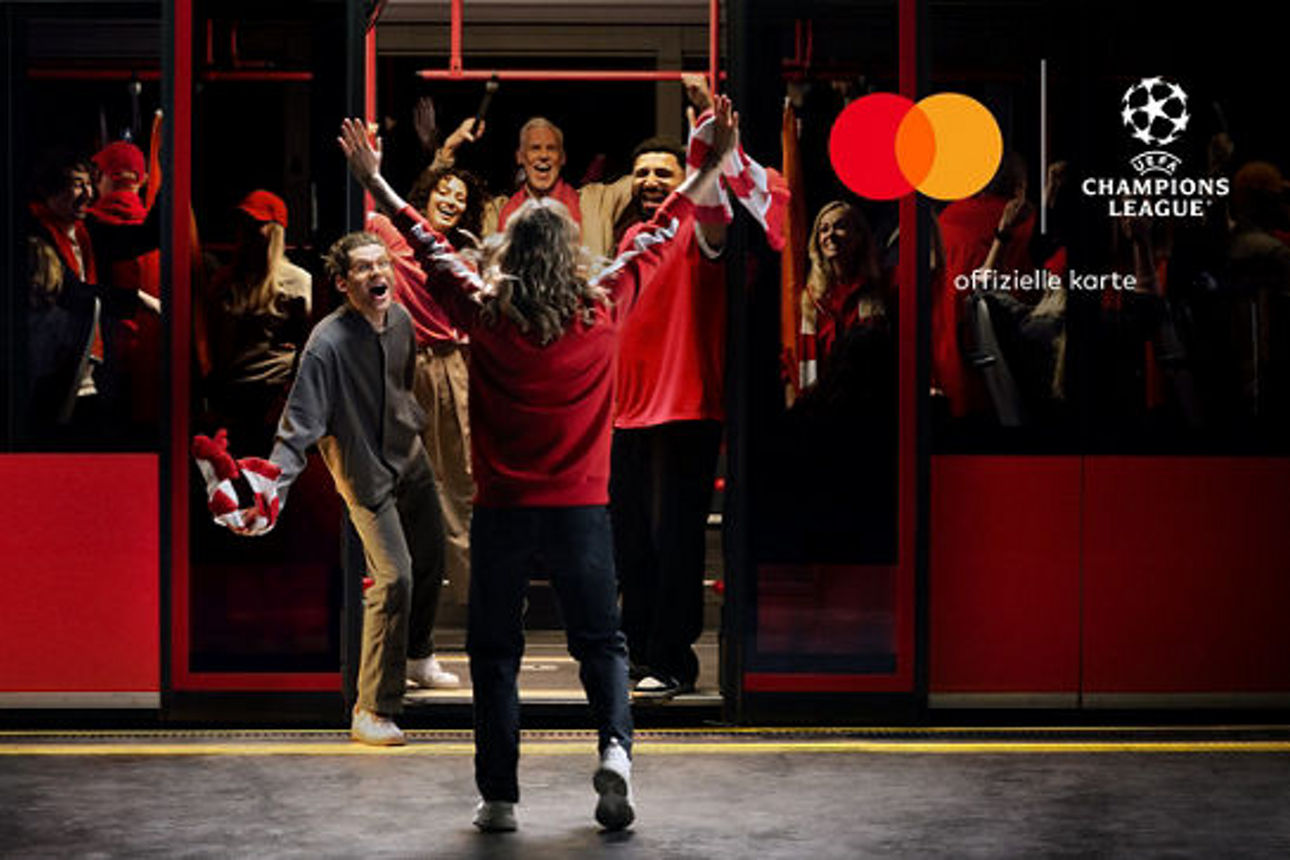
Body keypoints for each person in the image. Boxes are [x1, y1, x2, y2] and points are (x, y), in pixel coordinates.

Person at [338, 95, 738, 832]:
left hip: (502, 514)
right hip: (584, 510)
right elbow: (658, 234)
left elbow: (425, 242)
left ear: (509, 253)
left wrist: (376, 181)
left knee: (496, 653)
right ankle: (616, 755)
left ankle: (500, 797)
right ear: (569, 254)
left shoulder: (485, 311)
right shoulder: (603, 302)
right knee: (603, 643)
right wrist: (709, 164)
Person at [196, 231, 447, 747]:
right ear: (341, 283)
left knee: (432, 556)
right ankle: (372, 708)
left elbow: (401, 384)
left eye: (382, 264)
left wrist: (413, 424)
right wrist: (270, 490)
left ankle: (418, 653)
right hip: (364, 474)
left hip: (410, 458)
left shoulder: (400, 321)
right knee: (394, 579)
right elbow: (298, 426)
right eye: (363, 268)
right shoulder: (326, 344)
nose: (377, 273)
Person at [609, 95, 730, 700]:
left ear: (684, 180)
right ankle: (634, 652)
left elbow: (711, 215)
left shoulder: (703, 228)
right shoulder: (634, 235)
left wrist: (709, 157)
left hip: (683, 407)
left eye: (665, 172)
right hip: (625, 411)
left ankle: (673, 661)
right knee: (630, 540)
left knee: (674, 541)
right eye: (643, 173)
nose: (652, 181)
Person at [365, 161, 484, 648]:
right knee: (407, 489)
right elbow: (372, 214)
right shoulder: (390, 234)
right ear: (426, 195)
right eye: (443, 191)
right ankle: (406, 626)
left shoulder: (464, 255)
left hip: (454, 365)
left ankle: (478, 610)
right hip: (406, 367)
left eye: (460, 195)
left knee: (461, 484)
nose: (452, 201)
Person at [25, 149, 160, 445]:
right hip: (52, 374)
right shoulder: (34, 236)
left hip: (89, 372)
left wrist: (169, 177)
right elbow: (71, 293)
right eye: (77, 183)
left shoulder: (87, 231)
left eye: (89, 183)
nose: (88, 193)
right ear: (50, 190)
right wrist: (137, 298)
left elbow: (143, 237)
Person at [204, 190, 313, 453]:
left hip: (272, 395)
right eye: (244, 224)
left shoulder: (298, 282)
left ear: (275, 231)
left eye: (257, 224)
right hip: (230, 396)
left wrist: (288, 400)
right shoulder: (225, 280)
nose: (248, 231)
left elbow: (309, 349)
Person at [798, 200, 887, 391]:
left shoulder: (878, 290)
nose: (830, 235)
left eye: (839, 227)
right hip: (821, 403)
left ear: (859, 236)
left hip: (866, 399)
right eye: (824, 229)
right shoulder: (811, 299)